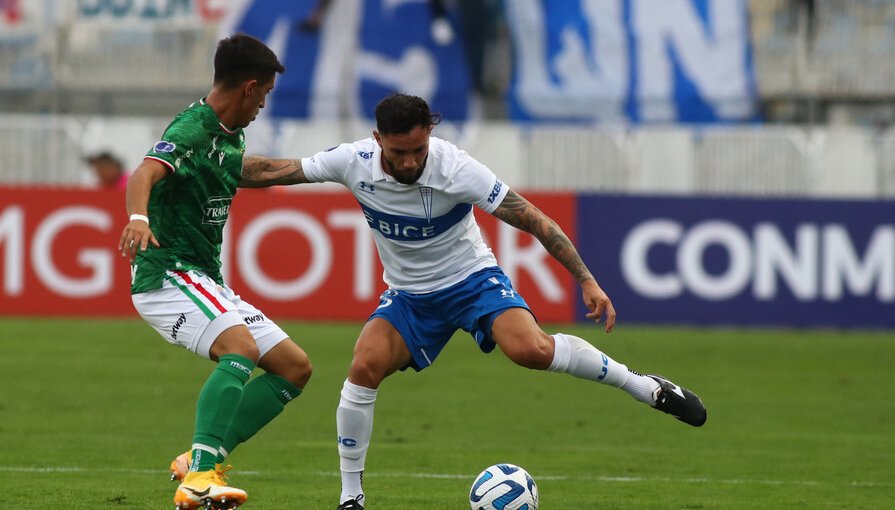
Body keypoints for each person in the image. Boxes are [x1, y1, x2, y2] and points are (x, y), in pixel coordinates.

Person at [240, 93, 707, 510]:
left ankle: (644, 386)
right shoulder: (351, 161)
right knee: (363, 367)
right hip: (410, 297)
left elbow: (532, 219)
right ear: (377, 138)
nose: (408, 163)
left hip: (471, 281)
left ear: (431, 136)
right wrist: (198, 166)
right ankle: (350, 499)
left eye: (418, 151)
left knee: (533, 351)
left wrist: (586, 279)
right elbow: (275, 170)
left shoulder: (456, 169)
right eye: (398, 152)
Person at [118, 33, 312, 510]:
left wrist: (333, 168)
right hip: (167, 273)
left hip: (203, 276)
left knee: (293, 368)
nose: (263, 104)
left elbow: (249, 170)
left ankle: (199, 459)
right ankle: (200, 480)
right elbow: (145, 171)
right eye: (264, 94)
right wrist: (138, 219)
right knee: (240, 348)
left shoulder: (229, 135)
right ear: (249, 87)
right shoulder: (193, 129)